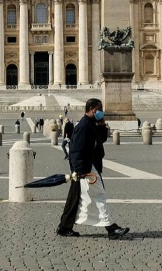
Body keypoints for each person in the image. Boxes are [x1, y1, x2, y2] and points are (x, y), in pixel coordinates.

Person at [56, 98, 130, 239]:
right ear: (92, 109)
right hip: (87, 169)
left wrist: (102, 124)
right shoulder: (84, 126)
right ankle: (111, 228)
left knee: (75, 197)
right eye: (99, 109)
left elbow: (100, 139)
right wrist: (79, 171)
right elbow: (75, 150)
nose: (101, 111)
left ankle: (64, 227)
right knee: (99, 195)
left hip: (89, 166)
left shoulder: (91, 124)